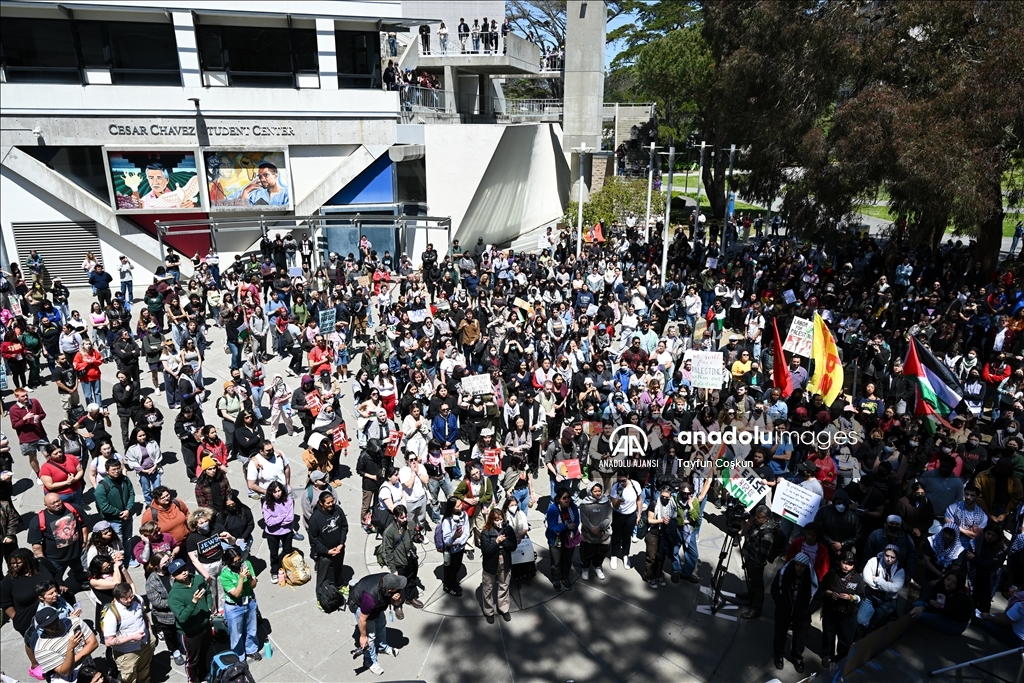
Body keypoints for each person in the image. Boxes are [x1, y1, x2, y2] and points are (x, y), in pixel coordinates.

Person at [770, 553, 818, 673]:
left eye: (802, 566)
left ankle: (797, 657)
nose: (798, 568)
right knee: (780, 633)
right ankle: (779, 655)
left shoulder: (811, 579)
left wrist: (807, 611)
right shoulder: (784, 574)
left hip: (802, 615)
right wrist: (780, 604)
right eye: (797, 565)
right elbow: (775, 589)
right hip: (784, 611)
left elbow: (818, 599)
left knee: (799, 638)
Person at [167, 557, 213, 683]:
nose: (184, 572)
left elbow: (208, 592)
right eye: (179, 572)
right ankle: (193, 680)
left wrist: (209, 607)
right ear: (173, 576)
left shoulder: (197, 579)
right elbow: (182, 618)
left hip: (204, 626)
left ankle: (204, 675)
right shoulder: (174, 595)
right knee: (192, 661)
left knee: (204, 653)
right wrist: (193, 602)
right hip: (190, 633)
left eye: (184, 569)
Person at [350, 573, 405, 676]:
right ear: (390, 590)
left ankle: (382, 647)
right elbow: (362, 619)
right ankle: (370, 661)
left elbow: (396, 603)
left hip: (377, 605)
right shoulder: (370, 598)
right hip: (360, 606)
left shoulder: (389, 580)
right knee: (370, 637)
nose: (400, 589)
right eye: (398, 588)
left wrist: (396, 599)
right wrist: (362, 636)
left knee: (381, 625)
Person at [100, 582, 154, 683]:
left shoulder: (138, 599)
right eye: (125, 598)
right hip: (127, 652)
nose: (129, 600)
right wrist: (132, 637)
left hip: (145, 643)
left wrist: (150, 631)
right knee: (129, 677)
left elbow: (143, 614)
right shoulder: (111, 615)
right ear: (117, 598)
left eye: (131, 596)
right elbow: (109, 641)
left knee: (144, 669)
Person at [31, 606, 99, 683]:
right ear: (42, 628)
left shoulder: (75, 622)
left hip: (89, 669)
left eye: (54, 621)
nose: (53, 625)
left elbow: (93, 643)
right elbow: (65, 672)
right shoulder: (41, 649)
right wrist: (70, 648)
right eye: (48, 625)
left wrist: (68, 661)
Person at [818, 551, 861, 668]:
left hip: (847, 614)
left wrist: (851, 597)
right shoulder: (832, 573)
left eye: (850, 564)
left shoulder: (857, 579)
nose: (846, 566)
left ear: (854, 565)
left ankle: (841, 658)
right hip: (831, 610)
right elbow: (823, 587)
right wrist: (829, 593)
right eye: (844, 562)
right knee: (828, 635)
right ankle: (827, 656)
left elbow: (860, 597)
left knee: (846, 639)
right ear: (839, 562)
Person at [219, 547, 262, 661]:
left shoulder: (247, 564)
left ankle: (251, 649)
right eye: (235, 562)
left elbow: (253, 585)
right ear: (229, 563)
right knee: (236, 635)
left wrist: (249, 577)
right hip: (235, 607)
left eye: (239, 560)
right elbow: (236, 594)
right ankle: (239, 657)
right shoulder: (224, 575)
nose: (238, 563)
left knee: (251, 629)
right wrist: (242, 578)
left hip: (250, 602)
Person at [143, 552, 185, 667]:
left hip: (181, 611)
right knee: (170, 634)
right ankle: (175, 650)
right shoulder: (152, 582)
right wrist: (175, 602)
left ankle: (182, 645)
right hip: (166, 616)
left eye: (169, 560)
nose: (168, 563)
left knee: (182, 631)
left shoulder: (174, 572)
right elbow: (157, 602)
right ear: (157, 566)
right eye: (165, 562)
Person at [739, 504, 779, 620]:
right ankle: (750, 595)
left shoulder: (767, 534)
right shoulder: (757, 524)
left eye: (759, 517)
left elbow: (763, 553)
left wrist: (757, 565)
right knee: (752, 580)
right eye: (755, 516)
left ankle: (756, 608)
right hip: (750, 557)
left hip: (756, 562)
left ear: (766, 519)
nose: (756, 519)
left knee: (757, 585)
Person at [382, 505, 423, 614]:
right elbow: (387, 552)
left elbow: (413, 537)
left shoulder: (410, 524)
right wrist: (393, 569)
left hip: (411, 560)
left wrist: (418, 538)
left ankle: (410, 598)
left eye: (406, 516)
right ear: (395, 517)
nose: (405, 519)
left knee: (412, 580)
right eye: (402, 517)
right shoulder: (389, 532)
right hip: (399, 563)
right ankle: (397, 605)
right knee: (396, 588)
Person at [94, 459, 136, 562]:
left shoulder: (125, 480)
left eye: (118, 469)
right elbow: (104, 506)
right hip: (113, 521)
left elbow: (131, 494)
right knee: (117, 543)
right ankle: (118, 562)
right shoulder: (102, 487)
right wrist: (120, 513)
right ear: (107, 471)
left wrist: (128, 509)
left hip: (127, 516)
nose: (116, 471)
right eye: (113, 470)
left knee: (128, 539)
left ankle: (128, 558)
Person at [480, 506, 517, 623]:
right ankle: (488, 611)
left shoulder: (508, 529)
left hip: (504, 562)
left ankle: (504, 609)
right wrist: (496, 542)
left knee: (504, 586)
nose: (499, 522)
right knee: (488, 589)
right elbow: (485, 552)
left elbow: (513, 546)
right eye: (496, 520)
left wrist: (504, 540)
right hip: (490, 564)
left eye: (500, 519)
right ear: (491, 520)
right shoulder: (485, 532)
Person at [909, 570, 974, 635]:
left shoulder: (961, 598)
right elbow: (930, 595)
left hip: (954, 623)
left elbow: (944, 609)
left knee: (918, 615)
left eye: (954, 583)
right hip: (941, 611)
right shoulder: (941, 584)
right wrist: (931, 601)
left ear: (959, 585)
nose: (949, 583)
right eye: (948, 579)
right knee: (917, 604)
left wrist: (922, 608)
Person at [858, 544, 905, 632]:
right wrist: (887, 585)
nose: (889, 559)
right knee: (861, 621)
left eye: (892, 557)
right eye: (887, 555)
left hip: (887, 601)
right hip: (870, 597)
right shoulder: (873, 561)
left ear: (897, 557)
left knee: (876, 626)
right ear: (883, 553)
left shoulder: (900, 570)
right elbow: (867, 579)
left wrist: (877, 579)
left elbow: (894, 588)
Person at [308, 490, 348, 594]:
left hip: (339, 548)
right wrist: (327, 551)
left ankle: (340, 585)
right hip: (325, 554)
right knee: (322, 576)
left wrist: (342, 543)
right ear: (321, 503)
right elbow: (314, 541)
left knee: (339, 568)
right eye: (328, 503)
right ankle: (320, 594)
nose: (331, 504)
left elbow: (344, 526)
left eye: (332, 501)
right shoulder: (315, 519)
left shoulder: (338, 510)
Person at [545, 487, 580, 592]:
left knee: (567, 559)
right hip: (556, 538)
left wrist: (573, 530)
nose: (567, 500)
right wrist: (566, 527)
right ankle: (556, 578)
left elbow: (577, 520)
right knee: (556, 561)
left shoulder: (572, 507)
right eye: (564, 498)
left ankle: (565, 577)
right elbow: (552, 527)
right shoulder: (553, 509)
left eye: (569, 497)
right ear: (559, 499)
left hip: (569, 538)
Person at [10, 386, 49, 480]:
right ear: (17, 397)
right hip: (27, 439)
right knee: (33, 457)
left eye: (26, 395)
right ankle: (38, 475)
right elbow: (15, 426)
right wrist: (24, 419)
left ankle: (51, 471)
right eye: (23, 396)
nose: (26, 397)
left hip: (40, 435)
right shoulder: (13, 409)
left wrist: (39, 417)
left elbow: (43, 414)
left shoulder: (34, 402)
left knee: (48, 454)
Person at [262, 481, 295, 584]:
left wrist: (276, 519)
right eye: (275, 492)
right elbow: (269, 522)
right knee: (274, 554)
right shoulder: (266, 504)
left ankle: (287, 568)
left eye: (279, 490)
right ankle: (274, 571)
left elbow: (290, 519)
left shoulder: (288, 500)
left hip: (287, 531)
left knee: (288, 551)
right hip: (272, 534)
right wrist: (282, 517)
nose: (277, 493)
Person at [578, 481, 613, 580]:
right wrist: (592, 529)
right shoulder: (584, 504)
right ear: (590, 492)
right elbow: (584, 520)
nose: (598, 493)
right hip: (589, 536)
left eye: (599, 491)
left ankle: (597, 567)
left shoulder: (606, 502)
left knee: (601, 553)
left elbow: (609, 517)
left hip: (603, 535)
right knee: (586, 553)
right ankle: (585, 568)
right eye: (595, 491)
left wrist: (599, 528)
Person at [608, 470, 642, 570]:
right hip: (618, 515)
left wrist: (639, 515)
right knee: (616, 536)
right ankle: (614, 555)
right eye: (619, 481)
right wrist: (619, 500)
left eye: (623, 480)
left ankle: (625, 555)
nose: (621, 483)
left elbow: (639, 501)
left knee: (627, 537)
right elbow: (615, 506)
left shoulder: (635, 485)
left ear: (628, 476)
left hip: (631, 516)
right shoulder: (616, 487)